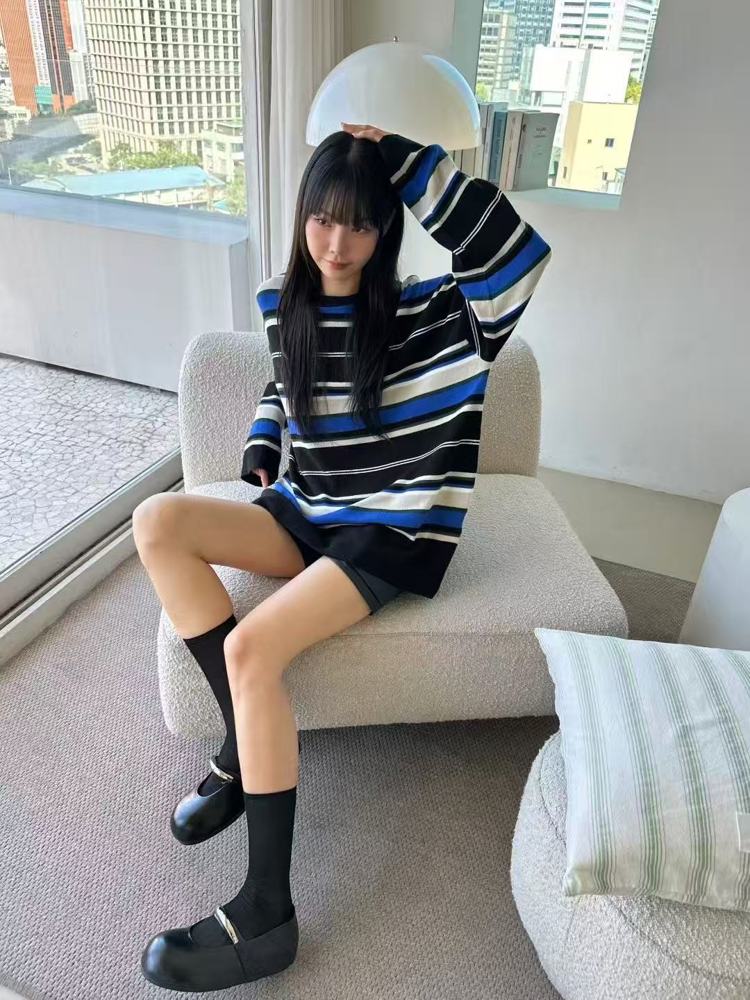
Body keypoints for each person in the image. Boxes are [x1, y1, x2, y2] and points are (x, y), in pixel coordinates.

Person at [136, 122, 553, 992]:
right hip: (309, 510)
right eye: (323, 218)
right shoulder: (282, 301)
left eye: (360, 224)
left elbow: (515, 256)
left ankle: (267, 912)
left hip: (389, 532)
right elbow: (285, 381)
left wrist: (408, 162)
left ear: (387, 226)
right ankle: (241, 749)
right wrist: (263, 438)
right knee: (158, 521)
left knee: (253, 648)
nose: (335, 243)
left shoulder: (438, 316)